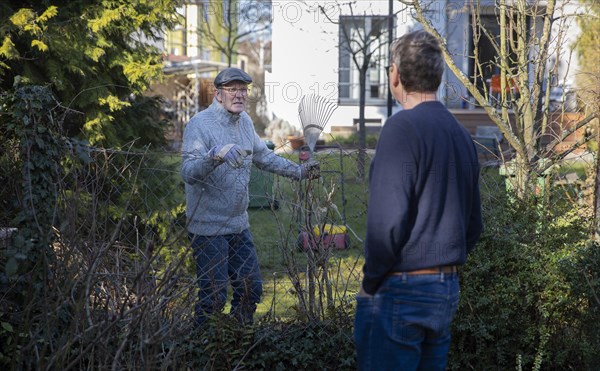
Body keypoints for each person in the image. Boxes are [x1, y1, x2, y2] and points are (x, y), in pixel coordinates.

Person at [354, 30, 483, 370]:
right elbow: (473, 226)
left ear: (395, 74)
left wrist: (370, 284)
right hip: (445, 289)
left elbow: (386, 225)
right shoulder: (461, 135)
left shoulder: (400, 129)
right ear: (438, 77)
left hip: (401, 290)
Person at [181, 67, 319, 327]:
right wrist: (214, 156)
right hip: (208, 227)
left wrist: (298, 171)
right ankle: (201, 348)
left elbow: (264, 157)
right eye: (232, 89)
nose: (239, 95)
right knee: (213, 297)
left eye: (243, 89)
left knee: (250, 290)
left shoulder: (244, 122)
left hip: (238, 225)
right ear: (218, 94)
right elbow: (188, 172)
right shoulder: (199, 125)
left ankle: (237, 339)